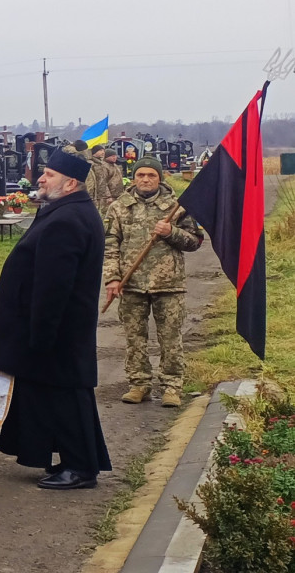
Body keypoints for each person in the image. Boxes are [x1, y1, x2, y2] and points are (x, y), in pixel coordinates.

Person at [0, 150, 112, 490]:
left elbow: (53, 286)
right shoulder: (67, 211)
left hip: (56, 330)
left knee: (66, 397)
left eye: (49, 174)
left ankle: (81, 468)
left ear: (70, 183)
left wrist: (41, 335)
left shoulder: (67, 220)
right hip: (58, 329)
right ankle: (74, 460)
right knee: (60, 397)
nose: (41, 178)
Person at [104, 157, 204, 408]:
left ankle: (171, 386)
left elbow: (195, 241)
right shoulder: (119, 207)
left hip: (168, 284)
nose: (145, 180)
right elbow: (109, 245)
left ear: (160, 178)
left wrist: (172, 233)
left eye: (151, 175)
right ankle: (139, 384)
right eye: (141, 175)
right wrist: (113, 279)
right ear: (133, 178)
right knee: (134, 337)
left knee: (170, 338)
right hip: (132, 283)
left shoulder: (177, 207)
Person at [86, 144, 127, 217]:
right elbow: (103, 182)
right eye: (112, 156)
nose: (115, 157)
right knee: (107, 215)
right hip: (106, 196)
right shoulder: (103, 166)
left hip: (118, 194)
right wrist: (108, 196)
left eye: (115, 156)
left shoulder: (115, 166)